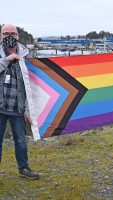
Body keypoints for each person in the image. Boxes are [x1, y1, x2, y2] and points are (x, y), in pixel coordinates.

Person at [0, 24, 39, 180]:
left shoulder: (26, 55)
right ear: (0, 36)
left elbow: (31, 85)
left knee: (21, 141)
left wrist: (29, 110)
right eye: (5, 33)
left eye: (12, 33)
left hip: (18, 107)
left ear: (17, 36)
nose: (9, 36)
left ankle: (23, 168)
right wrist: (6, 60)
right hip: (0, 107)